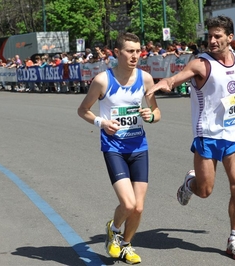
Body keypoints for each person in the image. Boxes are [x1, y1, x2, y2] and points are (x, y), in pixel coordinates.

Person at [147, 15, 235, 261]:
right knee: (205, 190)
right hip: (208, 135)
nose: (212, 40)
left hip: (234, 135)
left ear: (230, 38)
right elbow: (176, 78)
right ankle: (189, 183)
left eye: (218, 36)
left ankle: (234, 240)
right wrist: (163, 83)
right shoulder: (201, 64)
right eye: (210, 36)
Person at [77, 32, 161, 264]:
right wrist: (101, 122)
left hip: (139, 147)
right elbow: (83, 110)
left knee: (139, 208)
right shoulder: (103, 80)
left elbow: (157, 112)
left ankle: (125, 245)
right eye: (130, 51)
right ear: (117, 53)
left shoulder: (145, 79)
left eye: (138, 51)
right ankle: (114, 230)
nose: (136, 56)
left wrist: (150, 115)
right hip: (114, 147)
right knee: (128, 203)